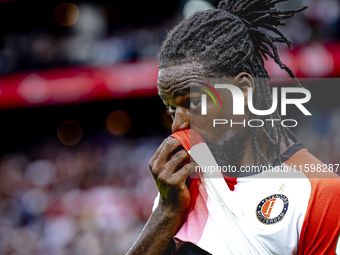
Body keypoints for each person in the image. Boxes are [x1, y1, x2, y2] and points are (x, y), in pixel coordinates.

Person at [126, 0, 340, 254]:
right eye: (172, 108)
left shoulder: (318, 191)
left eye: (193, 102)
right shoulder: (182, 188)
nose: (178, 124)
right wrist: (166, 211)